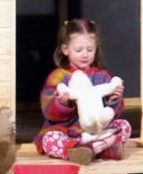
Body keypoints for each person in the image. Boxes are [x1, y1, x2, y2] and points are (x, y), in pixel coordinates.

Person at [34, 18, 131, 164]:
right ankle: (85, 150)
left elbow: (112, 114)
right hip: (69, 133)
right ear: (65, 49)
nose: (85, 54)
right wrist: (62, 103)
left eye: (90, 49)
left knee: (124, 125)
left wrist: (113, 99)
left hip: (96, 131)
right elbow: (48, 111)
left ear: (96, 47)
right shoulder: (58, 77)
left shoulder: (102, 76)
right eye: (79, 50)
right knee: (50, 138)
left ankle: (93, 149)